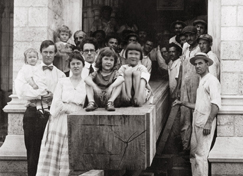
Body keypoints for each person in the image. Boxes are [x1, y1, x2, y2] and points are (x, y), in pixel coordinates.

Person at [19, 40, 65, 176]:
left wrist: (53, 97)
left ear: (55, 53)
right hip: (33, 113)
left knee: (49, 152)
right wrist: (39, 95)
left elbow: (63, 96)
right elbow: (22, 91)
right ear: (41, 53)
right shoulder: (29, 70)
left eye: (51, 52)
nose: (48, 55)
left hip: (51, 115)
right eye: (45, 52)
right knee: (33, 151)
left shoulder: (60, 75)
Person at [36, 51, 87, 176]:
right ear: (69, 66)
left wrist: (77, 111)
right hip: (60, 120)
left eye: (78, 63)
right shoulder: (63, 81)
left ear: (82, 65)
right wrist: (70, 108)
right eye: (73, 64)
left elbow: (87, 104)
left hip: (77, 121)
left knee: (71, 151)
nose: (75, 66)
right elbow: (57, 102)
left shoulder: (87, 83)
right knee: (56, 152)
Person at [173, 52, 221, 176]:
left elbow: (215, 104)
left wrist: (209, 123)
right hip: (197, 121)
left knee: (201, 156)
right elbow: (199, 105)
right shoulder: (202, 80)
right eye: (196, 64)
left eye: (201, 63)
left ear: (207, 64)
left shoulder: (212, 81)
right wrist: (182, 102)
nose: (197, 66)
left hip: (205, 123)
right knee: (194, 154)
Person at [180, 26, 200, 154]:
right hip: (184, 85)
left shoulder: (200, 49)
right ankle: (185, 146)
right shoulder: (185, 47)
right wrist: (178, 87)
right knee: (184, 115)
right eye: (186, 36)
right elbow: (182, 68)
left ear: (196, 34)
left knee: (196, 114)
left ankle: (195, 148)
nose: (189, 38)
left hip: (196, 85)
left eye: (191, 35)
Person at [85, 47, 124, 111]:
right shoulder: (96, 73)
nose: (109, 62)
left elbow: (121, 79)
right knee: (88, 83)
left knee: (118, 83)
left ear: (114, 62)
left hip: (109, 96)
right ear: (100, 60)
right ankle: (91, 102)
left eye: (111, 60)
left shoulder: (114, 73)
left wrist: (111, 87)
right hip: (98, 96)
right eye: (106, 59)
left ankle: (110, 102)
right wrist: (95, 87)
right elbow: (86, 79)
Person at [15, 48, 49, 114]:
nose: (32, 59)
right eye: (30, 57)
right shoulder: (27, 67)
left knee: (39, 96)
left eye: (34, 57)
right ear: (26, 60)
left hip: (38, 83)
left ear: (37, 58)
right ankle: (39, 107)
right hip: (32, 84)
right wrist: (33, 84)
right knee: (35, 95)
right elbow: (28, 77)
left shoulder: (37, 67)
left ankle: (43, 107)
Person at [119, 42, 152, 107]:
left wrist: (139, 96)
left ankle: (136, 97)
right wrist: (124, 94)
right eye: (130, 53)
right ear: (126, 55)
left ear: (140, 56)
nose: (133, 56)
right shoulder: (123, 67)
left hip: (140, 92)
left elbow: (143, 81)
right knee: (127, 71)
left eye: (136, 54)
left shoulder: (142, 68)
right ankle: (128, 96)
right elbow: (120, 80)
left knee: (136, 73)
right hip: (126, 94)